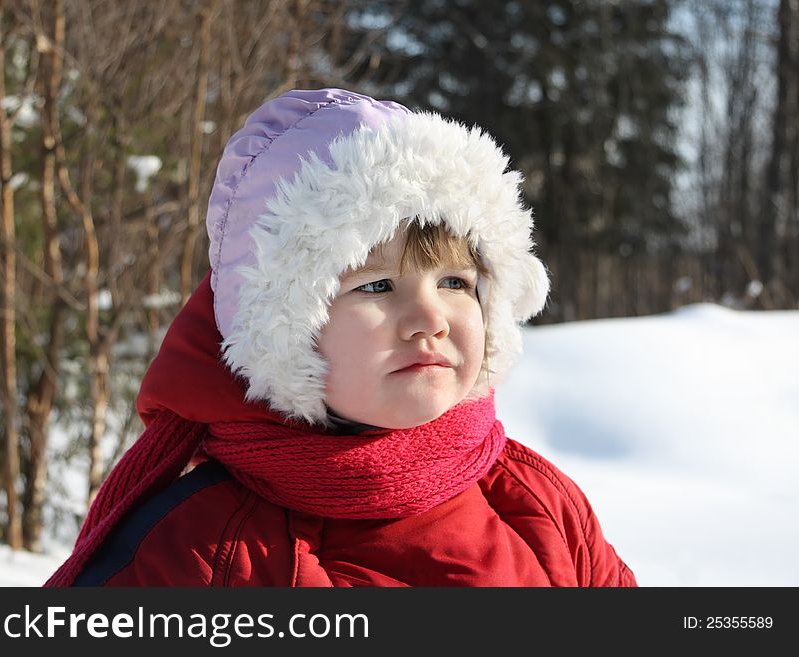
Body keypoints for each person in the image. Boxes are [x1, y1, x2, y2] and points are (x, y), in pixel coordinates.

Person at [46, 88, 636, 587]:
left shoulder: (534, 505)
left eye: (456, 281)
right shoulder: (205, 549)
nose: (429, 318)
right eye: (377, 285)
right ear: (284, 325)